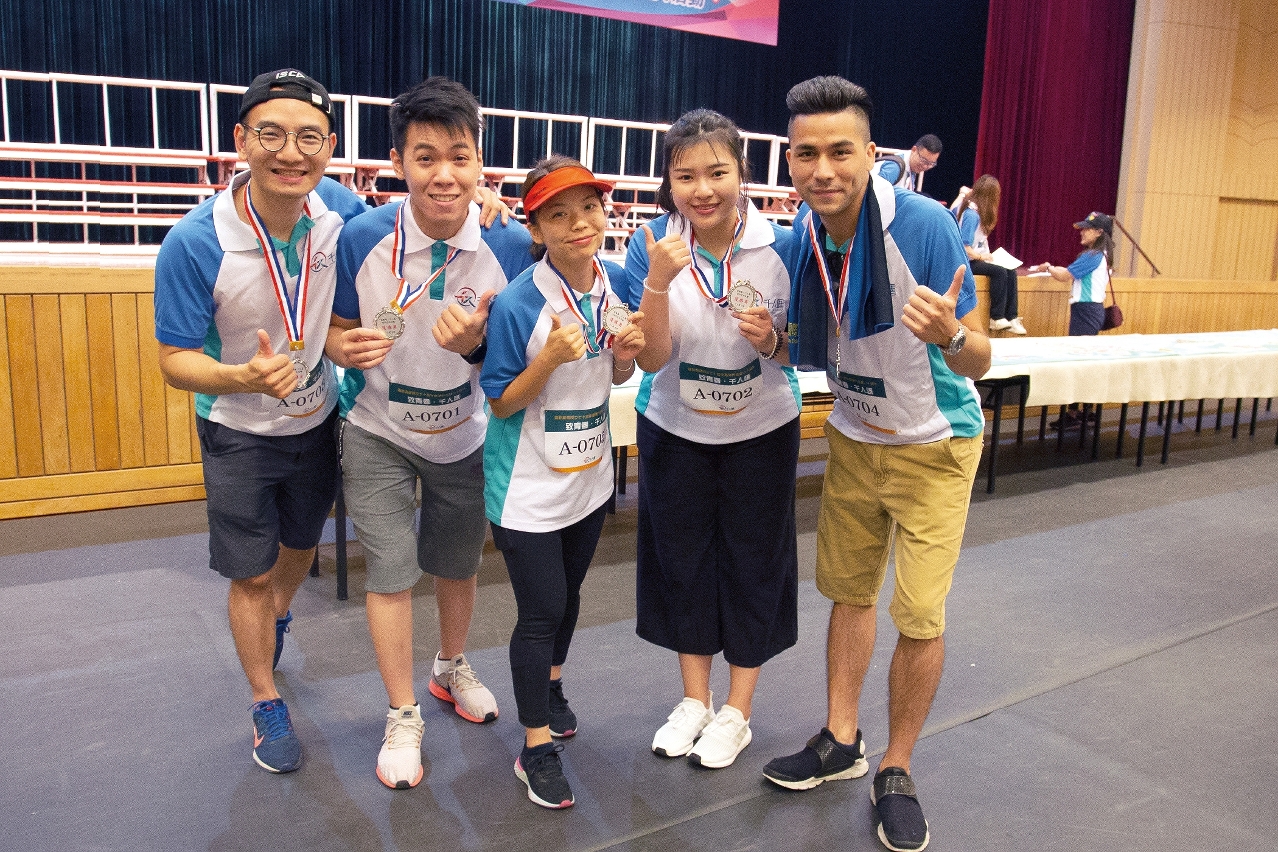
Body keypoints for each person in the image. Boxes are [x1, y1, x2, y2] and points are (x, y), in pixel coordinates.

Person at [764, 77, 990, 852]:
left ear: (871, 154)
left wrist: (950, 334)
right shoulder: (805, 232)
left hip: (935, 446)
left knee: (919, 614)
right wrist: (770, 341)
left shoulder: (923, 225)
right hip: (856, 439)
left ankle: (896, 766)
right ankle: (841, 737)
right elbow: (808, 345)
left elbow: (982, 359)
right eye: (807, 154)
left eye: (840, 151)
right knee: (849, 593)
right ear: (790, 160)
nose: (823, 169)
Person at [153, 69, 369, 774]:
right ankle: (264, 698)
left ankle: (275, 617)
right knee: (250, 573)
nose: (290, 152)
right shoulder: (195, 242)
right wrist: (242, 376)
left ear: (329, 147)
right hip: (237, 430)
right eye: (271, 134)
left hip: (316, 419)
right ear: (241, 140)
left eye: (309, 137)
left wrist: (482, 203)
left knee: (299, 549)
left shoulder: (337, 211)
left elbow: (413, 218)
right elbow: (175, 361)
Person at [326, 77, 533, 790]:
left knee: (457, 564)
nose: (444, 174)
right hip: (377, 429)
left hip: (464, 434)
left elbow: (516, 356)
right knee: (389, 571)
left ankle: (449, 666)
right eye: (425, 157)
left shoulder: (510, 243)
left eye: (459, 156)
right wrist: (342, 347)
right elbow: (332, 329)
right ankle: (402, 711)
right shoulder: (361, 236)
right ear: (398, 162)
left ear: (480, 162)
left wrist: (478, 347)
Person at [617, 109, 799, 770]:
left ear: (741, 172)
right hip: (675, 426)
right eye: (685, 175)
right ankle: (695, 700)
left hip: (762, 429)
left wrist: (772, 341)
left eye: (717, 172)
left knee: (755, 562)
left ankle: (737, 712)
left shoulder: (784, 244)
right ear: (668, 182)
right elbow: (651, 358)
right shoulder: (651, 244)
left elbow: (803, 348)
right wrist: (658, 281)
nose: (702, 190)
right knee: (681, 561)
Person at [479, 157, 645, 809]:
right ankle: (534, 748)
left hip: (588, 477)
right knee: (542, 608)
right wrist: (548, 357)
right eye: (559, 214)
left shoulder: (615, 281)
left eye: (589, 208)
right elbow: (500, 402)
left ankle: (549, 685)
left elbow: (618, 375)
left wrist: (626, 358)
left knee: (569, 597)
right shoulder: (520, 302)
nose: (579, 224)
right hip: (525, 487)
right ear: (536, 228)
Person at [1030, 211, 1115, 428]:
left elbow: (1065, 275)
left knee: (1078, 363)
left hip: (1086, 312)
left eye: (1087, 228)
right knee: (1085, 362)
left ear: (1099, 232)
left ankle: (1074, 413)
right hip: (1091, 311)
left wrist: (1049, 268)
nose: (1082, 232)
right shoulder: (1103, 254)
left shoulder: (1092, 255)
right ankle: (1085, 410)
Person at [956, 174, 1025, 334]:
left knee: (1011, 271)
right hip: (967, 261)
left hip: (978, 258)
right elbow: (965, 247)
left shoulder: (980, 213)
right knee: (999, 272)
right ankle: (996, 316)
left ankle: (1012, 316)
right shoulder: (971, 214)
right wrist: (982, 257)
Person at [872, 134, 942, 193]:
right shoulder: (895, 167)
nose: (925, 166)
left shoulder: (911, 168)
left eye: (931, 164)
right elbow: (875, 193)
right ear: (914, 150)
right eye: (923, 160)